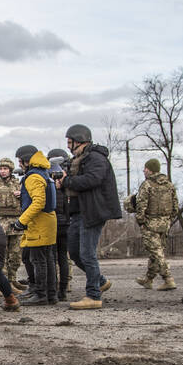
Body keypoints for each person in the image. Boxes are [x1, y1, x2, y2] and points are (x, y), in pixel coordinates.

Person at [61, 124, 123, 310]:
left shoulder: (96, 158)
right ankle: (101, 281)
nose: (68, 146)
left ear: (79, 140)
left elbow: (92, 179)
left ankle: (93, 295)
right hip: (78, 211)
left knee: (87, 254)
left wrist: (67, 181)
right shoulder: (80, 159)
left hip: (92, 211)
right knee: (75, 253)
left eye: (70, 142)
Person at [13, 145, 58, 305]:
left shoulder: (33, 177)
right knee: (47, 259)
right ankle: (50, 294)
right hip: (48, 220)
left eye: (20, 161)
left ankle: (40, 294)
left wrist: (21, 221)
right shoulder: (43, 173)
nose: (19, 164)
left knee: (38, 260)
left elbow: (38, 202)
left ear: (26, 160)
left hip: (39, 223)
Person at [134, 157, 179, 290]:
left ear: (149, 170)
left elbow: (140, 205)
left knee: (157, 252)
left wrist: (141, 222)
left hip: (150, 224)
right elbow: (175, 207)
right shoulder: (169, 185)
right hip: (165, 224)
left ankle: (168, 278)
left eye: (145, 169)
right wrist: (167, 220)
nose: (144, 171)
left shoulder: (147, 185)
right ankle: (148, 279)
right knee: (156, 252)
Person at [0, 158, 25, 293]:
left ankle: (12, 280)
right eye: (1, 169)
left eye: (5, 169)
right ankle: (2, 285)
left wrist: (22, 194)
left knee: (15, 255)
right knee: (2, 255)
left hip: (15, 223)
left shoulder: (17, 183)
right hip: (1, 222)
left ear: (10, 170)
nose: (3, 171)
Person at [46, 148, 72, 301]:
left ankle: (54, 289)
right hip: (66, 224)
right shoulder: (68, 180)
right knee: (62, 258)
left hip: (54, 223)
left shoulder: (50, 181)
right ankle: (63, 289)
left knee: (52, 257)